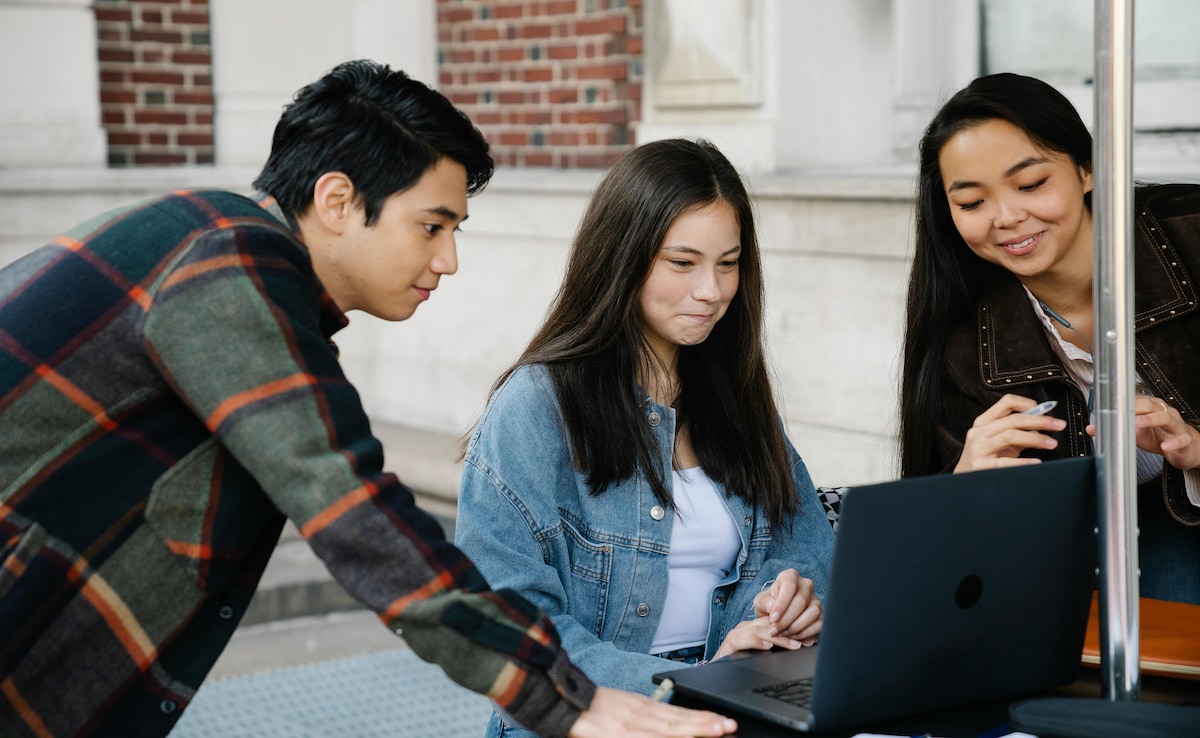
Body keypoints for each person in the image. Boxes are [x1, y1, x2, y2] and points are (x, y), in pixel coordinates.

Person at [0, 60, 738, 738]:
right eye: (432, 226)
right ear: (337, 200)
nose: (448, 260)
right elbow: (348, 506)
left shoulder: (227, 264)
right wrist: (560, 696)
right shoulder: (223, 261)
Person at [454, 138, 836, 737]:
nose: (711, 290)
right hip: (597, 720)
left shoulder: (738, 399)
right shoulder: (536, 407)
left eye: (729, 262)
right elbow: (510, 621)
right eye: (682, 263)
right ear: (622, 258)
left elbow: (808, 547)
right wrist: (691, 682)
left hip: (736, 707)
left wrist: (784, 603)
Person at [899, 72, 1200, 604]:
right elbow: (936, 556)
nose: (1008, 217)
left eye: (1031, 184)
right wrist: (967, 483)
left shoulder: (1190, 235)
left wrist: (1195, 450)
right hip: (1063, 568)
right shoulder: (959, 330)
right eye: (971, 203)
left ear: (1088, 169)